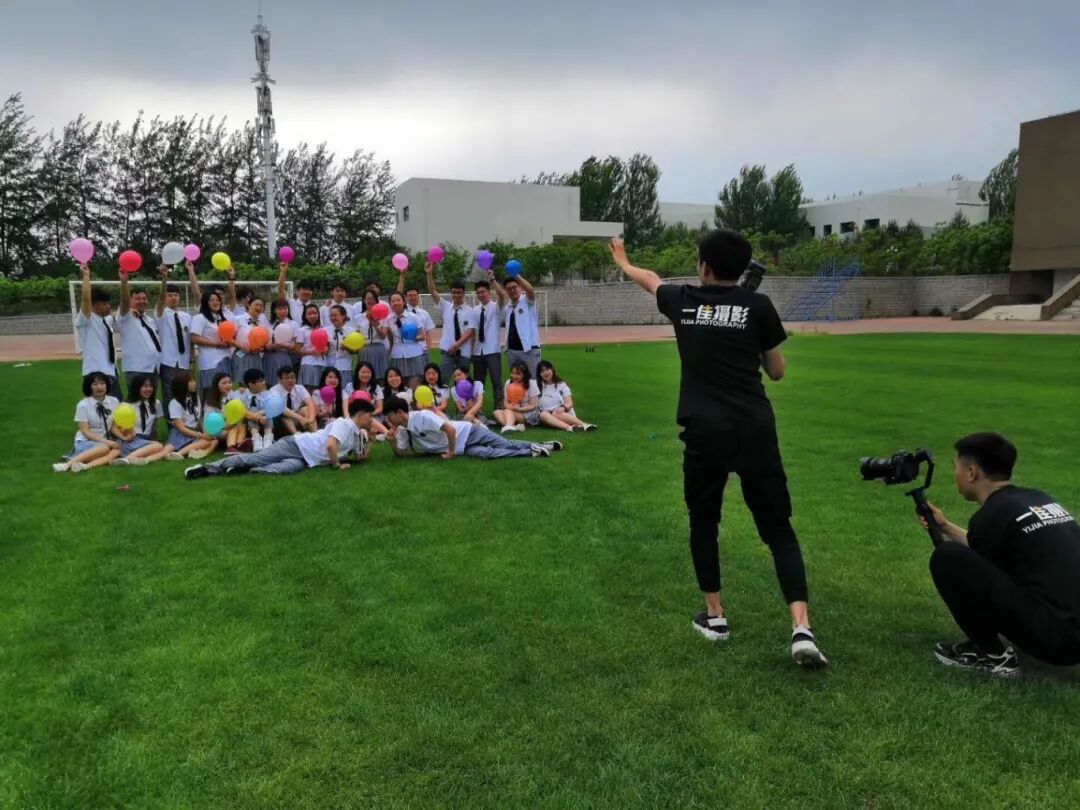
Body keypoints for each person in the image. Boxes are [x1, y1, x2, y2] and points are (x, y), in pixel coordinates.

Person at [609, 231, 827, 669]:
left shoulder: (683, 301)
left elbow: (650, 280)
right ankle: (801, 627)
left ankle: (715, 616)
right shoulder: (758, 306)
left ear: (703, 266)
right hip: (753, 428)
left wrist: (623, 260)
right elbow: (777, 371)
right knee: (778, 529)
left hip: (704, 430)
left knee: (704, 521)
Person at [922, 433, 1080, 677]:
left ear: (971, 473)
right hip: (1071, 629)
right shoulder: (1037, 499)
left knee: (947, 558)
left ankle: (992, 655)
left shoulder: (991, 515)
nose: (955, 474)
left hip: (1060, 642)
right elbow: (988, 553)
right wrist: (945, 526)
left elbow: (974, 573)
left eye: (956, 467)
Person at [185, 398, 374, 478]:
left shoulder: (357, 433)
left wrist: (371, 440)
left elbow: (360, 458)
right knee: (256, 457)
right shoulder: (344, 424)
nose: (371, 420)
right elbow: (331, 446)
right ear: (360, 415)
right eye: (369, 416)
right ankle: (206, 468)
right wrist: (337, 465)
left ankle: (242, 470)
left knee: (284, 469)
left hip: (307, 459)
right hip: (296, 445)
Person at [384, 397, 560, 460]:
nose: (388, 420)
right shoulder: (403, 430)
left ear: (400, 412)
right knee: (487, 454)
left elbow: (450, 429)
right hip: (461, 447)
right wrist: (392, 442)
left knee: (504, 444)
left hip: (468, 432)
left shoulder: (423, 416)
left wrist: (450, 453)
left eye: (389, 415)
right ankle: (531, 452)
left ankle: (541, 445)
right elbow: (401, 454)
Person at [53, 371, 122, 472]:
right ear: (89, 386)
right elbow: (85, 432)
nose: (99, 387)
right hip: (87, 441)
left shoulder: (114, 401)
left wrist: (123, 437)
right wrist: (106, 442)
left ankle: (85, 467)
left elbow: (113, 426)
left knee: (117, 452)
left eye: (102, 383)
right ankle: (66, 465)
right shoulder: (83, 405)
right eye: (95, 384)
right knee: (104, 448)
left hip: (106, 441)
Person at [74, 262, 121, 397]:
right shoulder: (87, 320)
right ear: (93, 305)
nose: (108, 306)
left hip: (112, 372)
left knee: (116, 407)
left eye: (108, 303)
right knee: (97, 408)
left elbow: (115, 314)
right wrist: (86, 276)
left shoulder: (105, 320)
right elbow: (85, 300)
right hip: (95, 374)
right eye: (104, 304)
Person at [425, 264, 476, 381]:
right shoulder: (445, 306)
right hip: (447, 351)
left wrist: (456, 345)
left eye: (459, 292)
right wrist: (429, 274)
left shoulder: (471, 311)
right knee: (442, 380)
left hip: (464, 352)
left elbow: (470, 332)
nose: (456, 295)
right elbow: (432, 291)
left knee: (463, 382)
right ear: (451, 293)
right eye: (454, 292)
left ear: (464, 293)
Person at [155, 262, 196, 408]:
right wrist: (164, 279)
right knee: (169, 394)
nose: (173, 298)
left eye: (176, 295)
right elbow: (160, 301)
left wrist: (191, 361)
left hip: (184, 362)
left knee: (185, 393)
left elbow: (190, 341)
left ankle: (185, 419)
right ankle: (171, 421)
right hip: (168, 362)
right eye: (170, 295)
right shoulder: (161, 314)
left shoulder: (187, 317)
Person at [117, 265, 162, 393]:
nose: (142, 301)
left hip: (154, 368)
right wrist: (124, 282)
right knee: (136, 401)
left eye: (144, 298)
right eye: (137, 299)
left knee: (150, 401)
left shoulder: (150, 320)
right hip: (136, 369)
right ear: (130, 301)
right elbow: (124, 303)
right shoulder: (126, 318)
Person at [110, 373, 169, 466]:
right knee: (159, 447)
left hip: (144, 440)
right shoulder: (126, 405)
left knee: (166, 448)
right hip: (130, 440)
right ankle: (127, 459)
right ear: (136, 387)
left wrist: (154, 439)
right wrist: (124, 438)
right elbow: (114, 427)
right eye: (145, 386)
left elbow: (154, 425)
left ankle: (144, 460)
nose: (148, 389)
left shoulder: (156, 403)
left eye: (151, 386)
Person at [491, 269, 541, 378]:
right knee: (516, 381)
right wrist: (492, 279)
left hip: (529, 350)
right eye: (508, 289)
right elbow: (500, 295)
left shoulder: (527, 301)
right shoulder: (507, 308)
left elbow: (530, 290)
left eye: (514, 287)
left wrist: (515, 274)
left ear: (520, 287)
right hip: (512, 351)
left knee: (533, 380)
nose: (512, 290)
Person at [189, 289, 234, 400]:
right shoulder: (200, 318)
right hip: (210, 362)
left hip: (225, 359)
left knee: (225, 394)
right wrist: (216, 344)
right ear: (205, 302)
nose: (216, 302)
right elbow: (194, 338)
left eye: (217, 300)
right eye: (212, 300)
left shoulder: (223, 319)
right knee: (211, 393)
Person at [165, 371, 217, 459]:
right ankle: (179, 453)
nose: (195, 383)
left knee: (214, 440)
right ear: (182, 385)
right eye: (191, 381)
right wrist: (201, 435)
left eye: (194, 381)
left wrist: (205, 432)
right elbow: (181, 428)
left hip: (194, 432)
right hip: (182, 434)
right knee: (206, 442)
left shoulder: (195, 398)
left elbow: (199, 419)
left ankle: (199, 453)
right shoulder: (175, 403)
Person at [535, 360, 597, 432]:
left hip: (561, 414)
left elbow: (569, 403)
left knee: (556, 413)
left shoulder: (561, 385)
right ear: (539, 374)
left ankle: (584, 425)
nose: (545, 373)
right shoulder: (538, 387)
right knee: (543, 414)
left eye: (547, 369)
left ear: (552, 370)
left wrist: (563, 408)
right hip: (547, 418)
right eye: (542, 371)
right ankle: (570, 428)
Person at [471, 279, 504, 409]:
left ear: (489, 292)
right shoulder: (475, 310)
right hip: (478, 351)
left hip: (493, 350)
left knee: (496, 381)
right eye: (478, 292)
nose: (480, 294)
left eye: (483, 291)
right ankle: (478, 410)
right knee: (478, 384)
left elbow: (501, 295)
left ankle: (499, 410)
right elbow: (473, 331)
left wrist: (493, 280)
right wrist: (471, 351)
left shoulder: (496, 307)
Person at [396, 276, 437, 366]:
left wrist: (428, 349)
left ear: (418, 296)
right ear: (405, 298)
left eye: (415, 295)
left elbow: (428, 333)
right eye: (410, 296)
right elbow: (397, 293)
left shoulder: (424, 313)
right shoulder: (402, 313)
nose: (413, 297)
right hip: (407, 350)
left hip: (423, 351)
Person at [386, 291, 428, 379]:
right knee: (399, 382)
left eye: (398, 300)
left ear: (404, 302)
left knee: (414, 382)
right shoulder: (389, 319)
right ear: (390, 304)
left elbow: (423, 336)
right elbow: (390, 338)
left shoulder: (413, 317)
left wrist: (410, 337)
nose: (395, 303)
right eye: (393, 301)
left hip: (413, 353)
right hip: (397, 355)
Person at [204, 371, 245, 454]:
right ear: (217, 385)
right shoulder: (211, 401)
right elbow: (209, 423)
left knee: (241, 425)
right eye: (224, 383)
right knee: (234, 427)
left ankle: (239, 444)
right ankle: (231, 447)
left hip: (231, 426)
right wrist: (225, 426)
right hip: (218, 430)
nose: (228, 385)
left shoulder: (234, 396)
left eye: (230, 382)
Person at [493, 361, 540, 433]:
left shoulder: (531, 383)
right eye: (512, 373)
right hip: (513, 410)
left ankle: (509, 425)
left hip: (528, 413)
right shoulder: (508, 382)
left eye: (517, 374)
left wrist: (520, 409)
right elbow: (505, 402)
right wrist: (510, 407)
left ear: (524, 374)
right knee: (496, 412)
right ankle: (514, 426)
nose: (514, 376)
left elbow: (534, 405)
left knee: (508, 411)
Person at [270, 366, 317, 436]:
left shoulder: (300, 388)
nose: (290, 380)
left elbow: (310, 403)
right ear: (280, 380)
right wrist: (301, 419)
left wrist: (311, 419)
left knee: (306, 409)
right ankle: (297, 436)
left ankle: (315, 434)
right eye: (287, 378)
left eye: (292, 377)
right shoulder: (274, 390)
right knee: (285, 415)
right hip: (282, 421)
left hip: (298, 418)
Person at [355, 290, 391, 379]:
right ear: (364, 300)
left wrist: (373, 322)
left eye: (373, 298)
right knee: (365, 377)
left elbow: (383, 336)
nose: (370, 301)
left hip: (379, 348)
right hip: (365, 349)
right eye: (368, 298)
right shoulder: (358, 317)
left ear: (376, 300)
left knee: (381, 376)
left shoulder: (384, 317)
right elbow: (357, 337)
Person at [263, 298, 297, 384]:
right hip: (269, 357)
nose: (283, 311)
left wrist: (280, 345)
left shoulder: (293, 324)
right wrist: (270, 346)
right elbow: (265, 342)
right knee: (268, 383)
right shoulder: (268, 324)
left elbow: (294, 345)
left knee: (284, 382)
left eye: (285, 308)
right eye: (279, 309)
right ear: (274, 310)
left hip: (284, 357)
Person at [240, 368, 273, 451]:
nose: (263, 383)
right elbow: (243, 411)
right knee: (251, 414)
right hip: (251, 422)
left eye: (263, 380)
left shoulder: (266, 394)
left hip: (265, 420)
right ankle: (256, 437)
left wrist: (263, 414)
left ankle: (268, 437)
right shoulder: (244, 396)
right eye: (260, 381)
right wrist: (256, 416)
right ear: (251, 384)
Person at [296, 303, 327, 389]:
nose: (312, 316)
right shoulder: (302, 330)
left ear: (318, 314)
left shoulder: (323, 329)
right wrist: (312, 352)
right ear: (305, 316)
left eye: (315, 313)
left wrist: (325, 349)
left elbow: (326, 346)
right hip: (308, 364)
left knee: (320, 390)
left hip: (322, 363)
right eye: (309, 314)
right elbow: (297, 349)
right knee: (308, 390)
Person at [324, 305, 356, 383]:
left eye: (336, 315)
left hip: (345, 366)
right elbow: (323, 351)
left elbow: (355, 351)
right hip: (329, 366)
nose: (333, 318)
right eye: (331, 316)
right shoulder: (325, 331)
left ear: (343, 316)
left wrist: (347, 347)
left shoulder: (351, 331)